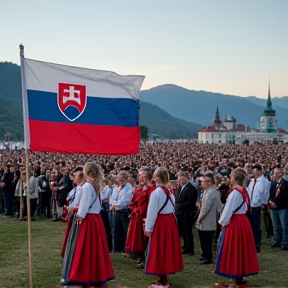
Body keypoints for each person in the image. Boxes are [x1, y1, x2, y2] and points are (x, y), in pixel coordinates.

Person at [60, 162, 114, 287]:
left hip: (88, 220)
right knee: (94, 249)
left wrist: (78, 214)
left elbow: (84, 206)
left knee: (84, 249)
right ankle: (94, 275)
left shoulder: (87, 186)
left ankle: (81, 276)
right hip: (96, 220)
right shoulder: (95, 185)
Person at [215, 168, 259, 287]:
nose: (230, 179)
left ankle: (235, 276)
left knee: (234, 249)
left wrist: (221, 222)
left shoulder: (234, 193)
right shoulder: (243, 191)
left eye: (231, 177)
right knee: (241, 249)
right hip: (243, 222)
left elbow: (228, 211)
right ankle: (239, 275)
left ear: (234, 178)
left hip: (235, 223)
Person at [145, 167, 183, 287]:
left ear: (157, 178)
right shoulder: (169, 192)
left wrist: (148, 228)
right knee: (167, 249)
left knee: (159, 249)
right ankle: (164, 276)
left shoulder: (156, 193)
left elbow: (152, 212)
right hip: (169, 221)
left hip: (161, 222)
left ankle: (161, 278)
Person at [125, 167, 155, 266]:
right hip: (136, 216)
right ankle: (139, 256)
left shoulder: (152, 190)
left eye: (142, 175)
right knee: (136, 238)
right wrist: (134, 210)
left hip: (144, 217)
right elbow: (132, 202)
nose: (140, 178)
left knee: (144, 239)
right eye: (139, 176)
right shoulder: (138, 190)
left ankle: (145, 258)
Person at [196, 171, 222, 265]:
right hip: (206, 220)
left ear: (209, 182)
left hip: (208, 220)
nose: (201, 183)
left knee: (207, 240)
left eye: (203, 182)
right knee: (203, 239)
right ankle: (204, 255)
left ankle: (207, 257)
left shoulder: (212, 192)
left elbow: (206, 207)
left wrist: (199, 218)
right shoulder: (207, 191)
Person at [247, 163, 270, 252]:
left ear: (260, 171)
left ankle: (257, 244)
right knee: (250, 225)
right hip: (250, 206)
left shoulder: (264, 181)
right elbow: (249, 192)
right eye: (253, 170)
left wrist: (263, 204)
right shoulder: (252, 181)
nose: (254, 172)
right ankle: (251, 242)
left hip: (257, 206)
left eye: (255, 170)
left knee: (256, 225)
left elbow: (265, 194)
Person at [175, 171, 198, 256]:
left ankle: (190, 249)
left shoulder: (191, 188)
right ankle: (185, 247)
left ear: (185, 178)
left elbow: (190, 202)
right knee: (182, 232)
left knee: (187, 232)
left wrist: (179, 206)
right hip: (180, 214)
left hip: (187, 214)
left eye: (180, 179)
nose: (179, 181)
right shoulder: (181, 188)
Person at [110, 170, 132, 253]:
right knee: (116, 231)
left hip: (124, 211)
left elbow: (125, 200)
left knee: (125, 230)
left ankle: (126, 249)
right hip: (116, 211)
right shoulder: (116, 187)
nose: (120, 180)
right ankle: (116, 249)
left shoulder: (128, 187)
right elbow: (112, 198)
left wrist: (116, 204)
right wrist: (113, 204)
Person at [269, 167, 288, 250]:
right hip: (274, 208)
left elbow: (285, 196)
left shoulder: (286, 184)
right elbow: (271, 193)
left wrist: (277, 203)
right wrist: (271, 202)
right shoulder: (273, 183)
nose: (273, 175)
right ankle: (277, 241)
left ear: (280, 174)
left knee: (284, 226)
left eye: (275, 173)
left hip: (282, 208)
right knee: (276, 225)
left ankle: (285, 243)